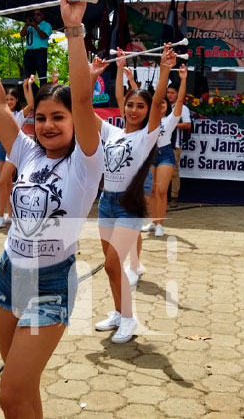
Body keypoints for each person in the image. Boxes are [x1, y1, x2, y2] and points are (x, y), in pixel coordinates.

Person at [0, 0, 103, 418]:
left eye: (58, 117)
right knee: (23, 391)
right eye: (40, 118)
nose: (47, 125)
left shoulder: (85, 161)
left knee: (9, 393)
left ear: (76, 122)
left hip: (51, 284)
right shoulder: (25, 151)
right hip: (9, 274)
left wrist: (73, 31)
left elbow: (81, 97)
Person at [94, 45, 176, 344]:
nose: (134, 110)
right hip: (106, 204)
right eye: (130, 105)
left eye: (140, 107)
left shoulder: (148, 135)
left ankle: (129, 318)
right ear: (123, 106)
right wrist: (91, 76)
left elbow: (157, 105)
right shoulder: (111, 132)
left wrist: (165, 69)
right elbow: (80, 108)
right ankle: (118, 311)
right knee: (110, 267)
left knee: (113, 264)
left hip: (128, 206)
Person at [142, 65, 188, 238]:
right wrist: (131, 79)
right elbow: (133, 96)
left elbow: (181, 101)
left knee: (161, 191)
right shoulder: (146, 121)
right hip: (150, 155)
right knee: (151, 192)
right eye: (157, 103)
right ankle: (153, 222)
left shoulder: (171, 120)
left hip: (165, 154)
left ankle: (160, 223)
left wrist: (183, 79)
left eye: (163, 102)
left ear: (167, 106)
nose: (160, 105)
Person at [0, 79, 35, 229]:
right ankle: (10, 215)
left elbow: (31, 104)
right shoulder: (1, 113)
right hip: (1, 147)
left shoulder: (19, 114)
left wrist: (27, 85)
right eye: (7, 99)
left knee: (2, 181)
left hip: (14, 149)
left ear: (16, 100)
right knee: (6, 184)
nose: (9, 101)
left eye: (11, 99)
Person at [168, 78, 191, 207]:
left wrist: (173, 125)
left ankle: (174, 197)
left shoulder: (183, 108)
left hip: (175, 144)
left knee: (173, 171)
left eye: (172, 93)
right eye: (168, 92)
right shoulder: (164, 105)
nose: (169, 95)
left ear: (178, 93)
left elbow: (188, 124)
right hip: (162, 143)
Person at [20, 9, 52, 87]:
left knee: (42, 75)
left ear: (43, 15)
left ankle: (42, 94)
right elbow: (22, 34)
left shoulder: (47, 25)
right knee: (28, 76)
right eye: (34, 15)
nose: (35, 16)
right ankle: (31, 94)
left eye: (38, 14)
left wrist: (35, 26)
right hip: (29, 52)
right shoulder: (30, 26)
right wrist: (27, 25)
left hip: (40, 52)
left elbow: (43, 35)